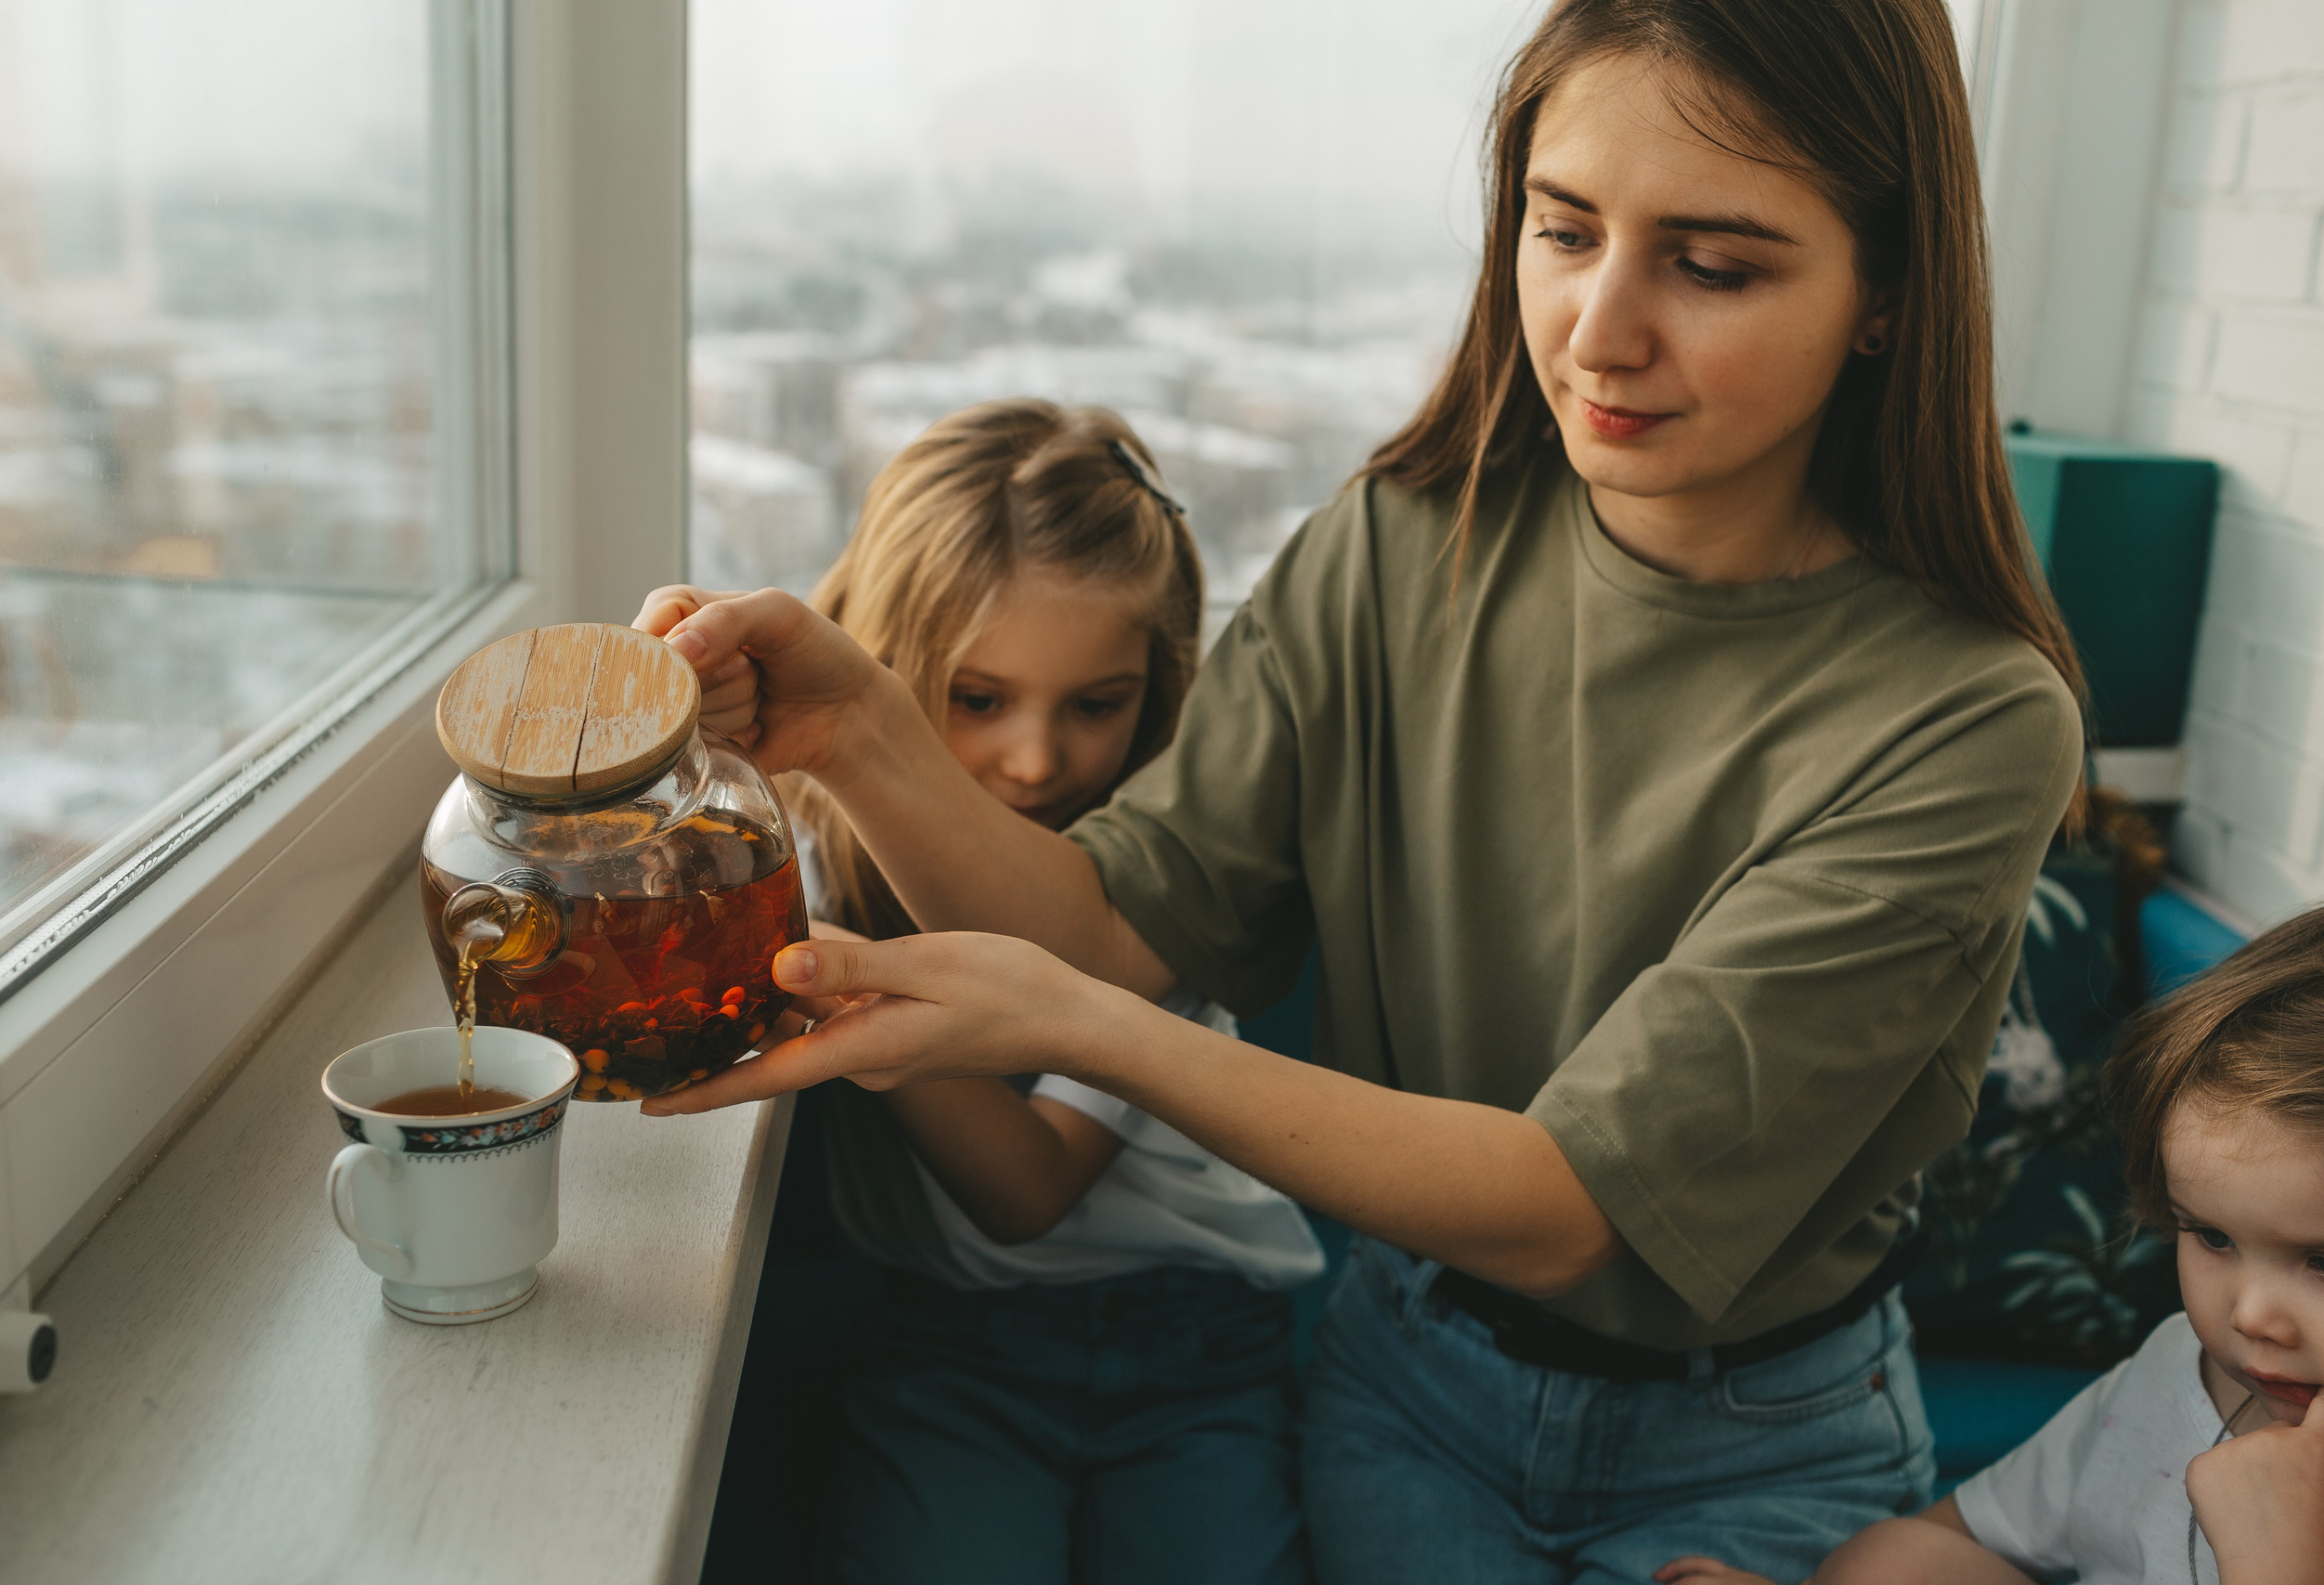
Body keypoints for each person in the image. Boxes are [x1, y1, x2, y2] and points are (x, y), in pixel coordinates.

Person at [637, 0, 2087, 1576]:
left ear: (1886, 288)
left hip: (1749, 1452)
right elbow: (1110, 919)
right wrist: (853, 725)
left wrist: (1074, 1026)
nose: (1600, 329)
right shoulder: (1401, 541)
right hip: (1407, 1387)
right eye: (1562, 229)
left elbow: (1564, 1203)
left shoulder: (1969, 720)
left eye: (1714, 265)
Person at [763, 399, 1322, 1585]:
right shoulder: (805, 846)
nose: (1033, 760)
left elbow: (1026, 1186)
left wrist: (826, 978)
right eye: (978, 699)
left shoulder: (1153, 889)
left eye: (1093, 705)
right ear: (881, 674)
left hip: (1193, 1345)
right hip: (942, 1342)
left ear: (1157, 688)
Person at [1656, 906, 2324, 1585]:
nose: (2251, 1316)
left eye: (2321, 1260)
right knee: (1891, 1561)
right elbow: (1964, 1529)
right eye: (2212, 1235)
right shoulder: (2177, 1363)